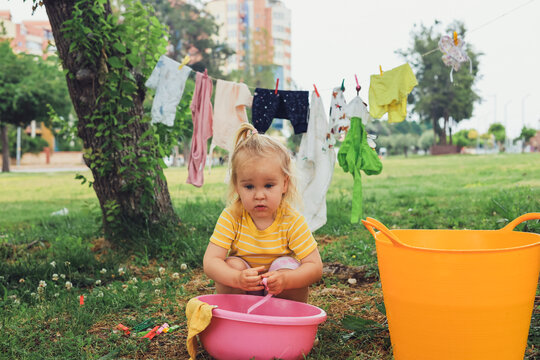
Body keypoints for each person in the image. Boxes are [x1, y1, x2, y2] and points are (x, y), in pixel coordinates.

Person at [203, 123, 323, 303]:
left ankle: (285, 321)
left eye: (268, 185)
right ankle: (237, 317)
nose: (259, 195)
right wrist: (237, 278)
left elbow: (315, 267)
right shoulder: (232, 216)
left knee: (287, 266)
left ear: (284, 184)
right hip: (244, 290)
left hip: (280, 293)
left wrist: (287, 280)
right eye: (249, 186)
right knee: (232, 265)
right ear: (237, 186)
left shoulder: (291, 220)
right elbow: (211, 261)